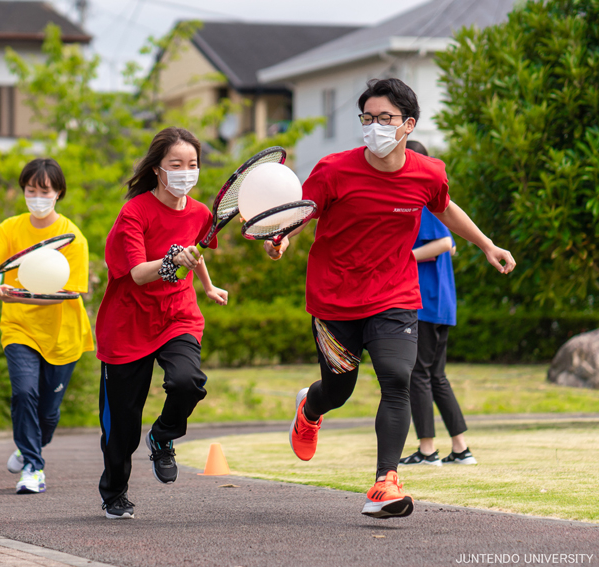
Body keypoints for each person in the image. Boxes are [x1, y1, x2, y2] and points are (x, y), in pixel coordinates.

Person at [270, 78, 514, 519]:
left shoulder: (427, 172)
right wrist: (282, 241)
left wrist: (486, 244)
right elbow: (301, 215)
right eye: (368, 118)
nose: (375, 126)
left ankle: (385, 482)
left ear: (408, 125)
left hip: (394, 294)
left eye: (385, 118)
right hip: (333, 300)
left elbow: (445, 207)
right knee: (339, 391)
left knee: (397, 378)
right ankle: (310, 407)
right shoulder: (333, 169)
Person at [95, 127, 228, 520]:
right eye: (176, 164)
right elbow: (137, 273)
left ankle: (164, 435)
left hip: (177, 314)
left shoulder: (201, 212)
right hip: (127, 324)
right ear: (157, 169)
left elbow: (197, 251)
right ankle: (115, 492)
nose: (186, 172)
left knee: (188, 382)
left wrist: (207, 286)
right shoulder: (133, 213)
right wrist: (172, 262)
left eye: (192, 164)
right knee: (121, 427)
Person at [0, 158, 93, 495]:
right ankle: (34, 467)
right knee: (23, 394)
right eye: (30, 190)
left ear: (58, 193)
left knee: (48, 412)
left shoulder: (72, 237)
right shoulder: (10, 228)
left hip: (63, 334)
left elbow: (67, 295)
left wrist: (15, 296)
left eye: (43, 190)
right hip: (19, 329)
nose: (36, 196)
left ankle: (28, 446)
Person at [399, 141, 476, 467]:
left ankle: (428, 450)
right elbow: (451, 244)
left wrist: (400, 258)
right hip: (440, 303)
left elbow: (445, 243)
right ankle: (460, 448)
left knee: (418, 374)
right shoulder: (435, 202)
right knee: (436, 376)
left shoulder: (424, 203)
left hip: (426, 302)